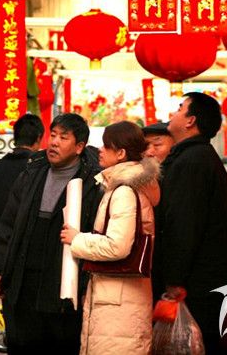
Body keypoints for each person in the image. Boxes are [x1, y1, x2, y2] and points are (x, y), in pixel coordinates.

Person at [0, 113, 103, 354]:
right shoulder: (32, 173)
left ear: (79, 147)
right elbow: (9, 223)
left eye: (63, 137)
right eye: (53, 135)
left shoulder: (92, 182)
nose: (54, 142)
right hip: (24, 282)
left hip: (63, 285)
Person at [60, 121, 160, 355]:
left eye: (106, 145)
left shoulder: (124, 191)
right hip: (120, 297)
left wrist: (77, 239)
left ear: (121, 153)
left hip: (118, 302)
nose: (100, 150)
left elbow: (117, 246)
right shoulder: (129, 187)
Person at [153, 92, 227, 353]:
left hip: (195, 284)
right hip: (202, 279)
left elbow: (183, 225)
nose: (174, 113)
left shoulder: (193, 162)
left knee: (192, 345)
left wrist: (174, 280)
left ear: (190, 120)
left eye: (180, 108)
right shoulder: (196, 156)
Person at [0, 114, 44, 240]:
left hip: (2, 244)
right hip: (31, 246)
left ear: (15, 137)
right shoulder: (42, 169)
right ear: (39, 138)